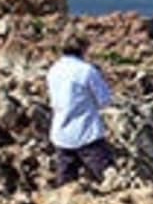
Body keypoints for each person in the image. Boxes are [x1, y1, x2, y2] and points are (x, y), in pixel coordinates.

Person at [46, 32, 115, 186]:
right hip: (87, 133)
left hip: (61, 134)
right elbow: (105, 100)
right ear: (84, 49)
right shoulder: (87, 71)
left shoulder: (53, 70)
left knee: (66, 186)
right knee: (109, 178)